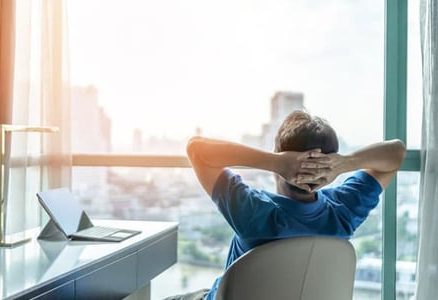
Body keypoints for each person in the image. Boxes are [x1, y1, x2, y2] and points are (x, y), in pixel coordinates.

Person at [165, 110, 406, 300]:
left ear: (279, 157)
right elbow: (396, 152)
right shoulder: (343, 211)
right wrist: (344, 163)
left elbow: (196, 149)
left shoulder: (253, 212)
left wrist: (275, 162)